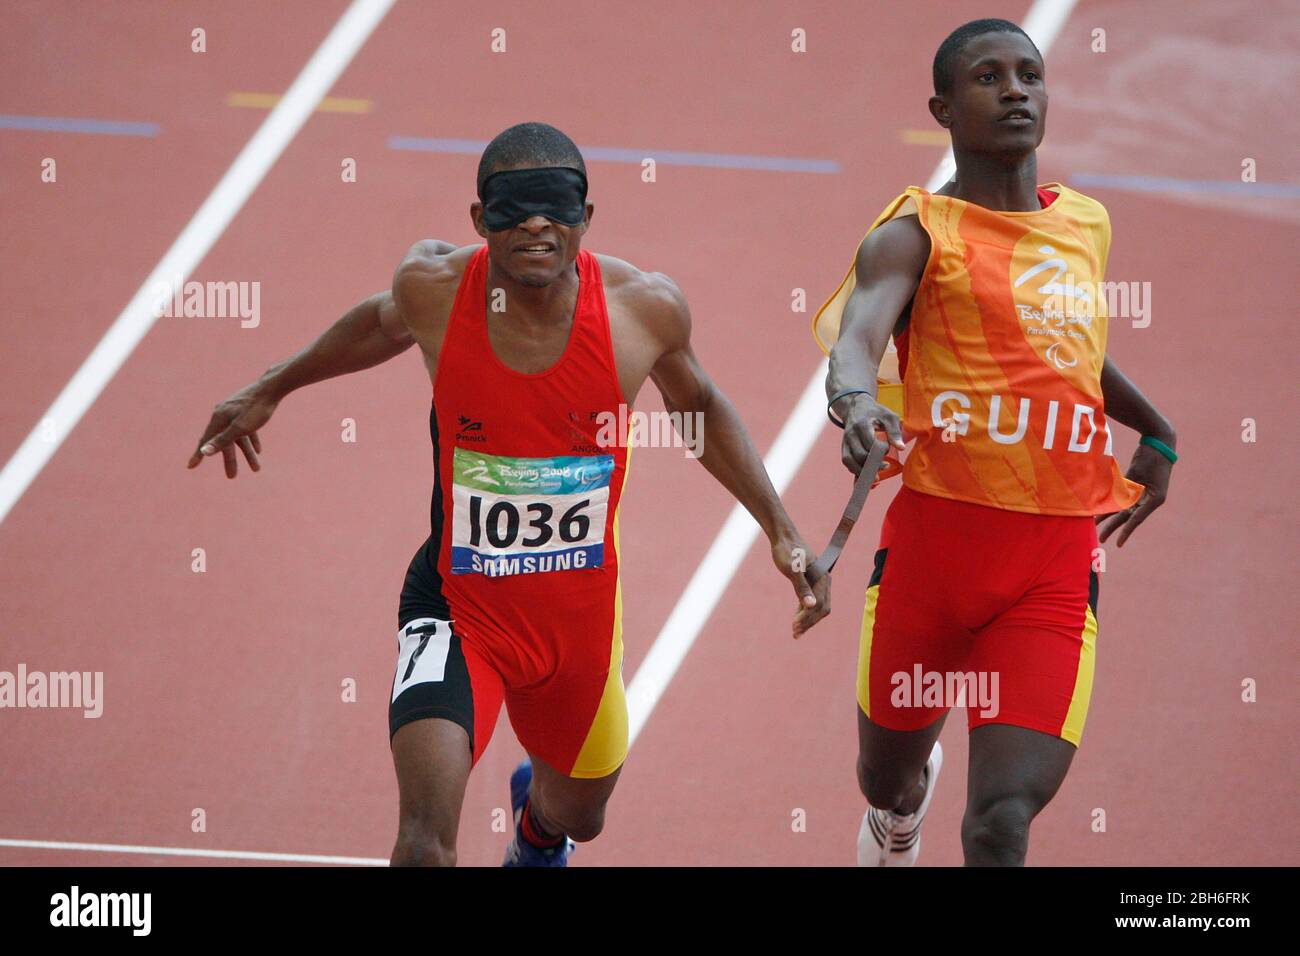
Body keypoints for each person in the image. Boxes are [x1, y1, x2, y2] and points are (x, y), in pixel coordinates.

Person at [188, 122, 830, 867]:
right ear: (477, 220)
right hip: (459, 608)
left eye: (556, 205)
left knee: (580, 814)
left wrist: (780, 529)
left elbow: (702, 410)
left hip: (578, 620)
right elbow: (378, 324)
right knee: (424, 845)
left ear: (588, 216)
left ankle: (537, 831)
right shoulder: (433, 291)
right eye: (512, 207)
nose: (534, 222)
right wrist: (274, 385)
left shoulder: (641, 311)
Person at [815, 19, 1176, 866]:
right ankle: (897, 823)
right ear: (942, 107)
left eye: (1030, 74)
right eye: (988, 77)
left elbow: (1066, 344)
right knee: (886, 778)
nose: (1015, 89)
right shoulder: (914, 234)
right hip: (932, 558)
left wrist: (1155, 427)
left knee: (1000, 820)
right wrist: (857, 402)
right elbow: (859, 338)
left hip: (1051, 566)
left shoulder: (1085, 224)